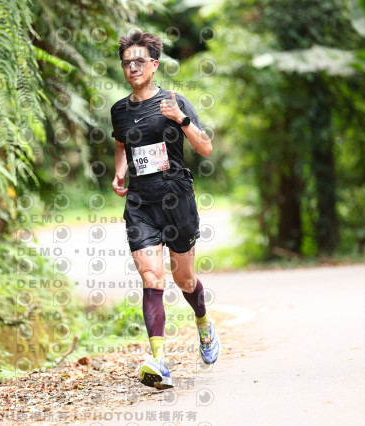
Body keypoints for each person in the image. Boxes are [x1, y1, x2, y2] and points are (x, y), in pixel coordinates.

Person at [110, 31, 221, 389]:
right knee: (151, 277)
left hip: (176, 199)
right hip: (140, 203)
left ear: (154, 65)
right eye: (127, 62)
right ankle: (159, 361)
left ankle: (203, 321)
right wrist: (120, 172)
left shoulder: (174, 101)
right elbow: (122, 145)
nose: (132, 67)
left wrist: (182, 120)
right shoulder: (119, 110)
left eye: (139, 61)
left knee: (184, 279)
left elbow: (206, 148)